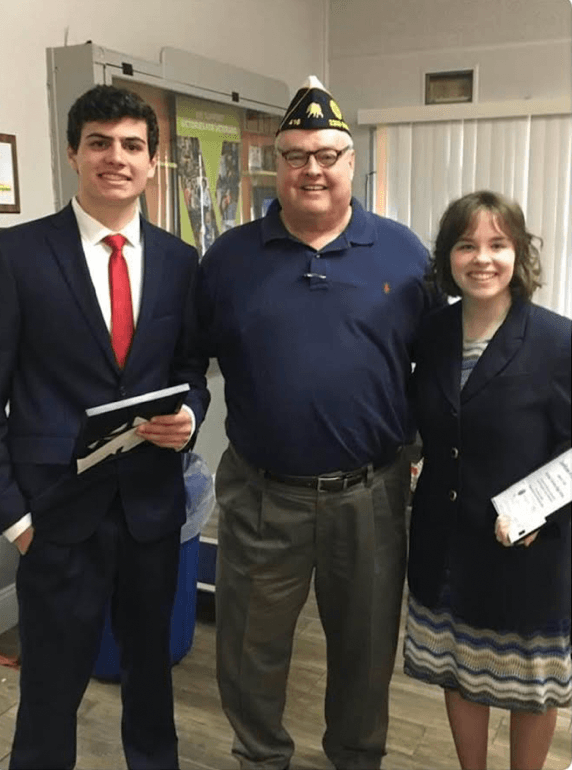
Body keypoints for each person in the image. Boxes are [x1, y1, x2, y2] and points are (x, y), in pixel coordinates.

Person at [198, 77, 438, 770]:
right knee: (249, 648)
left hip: (371, 496)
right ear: (279, 161)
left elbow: (435, 363)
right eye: (297, 154)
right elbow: (188, 357)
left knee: (365, 652)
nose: (312, 168)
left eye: (327, 154)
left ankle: (357, 758)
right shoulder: (230, 260)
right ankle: (261, 757)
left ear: (351, 161)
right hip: (261, 495)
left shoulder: (402, 254)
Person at [0, 85, 209, 769]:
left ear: (153, 162)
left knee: (151, 685)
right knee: (49, 695)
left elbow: (190, 371)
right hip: (54, 516)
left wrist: (189, 417)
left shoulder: (181, 263)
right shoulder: (17, 256)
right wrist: (16, 519)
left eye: (131, 145)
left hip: (151, 512)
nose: (115, 157)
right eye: (99, 142)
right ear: (72, 152)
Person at [403, 191, 571, 770]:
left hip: (524, 548)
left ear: (518, 252)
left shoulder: (557, 340)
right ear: (448, 256)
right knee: (459, 672)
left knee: (531, 689)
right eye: (466, 244)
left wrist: (539, 514)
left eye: (498, 244)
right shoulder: (432, 333)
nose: (482, 258)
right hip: (445, 539)